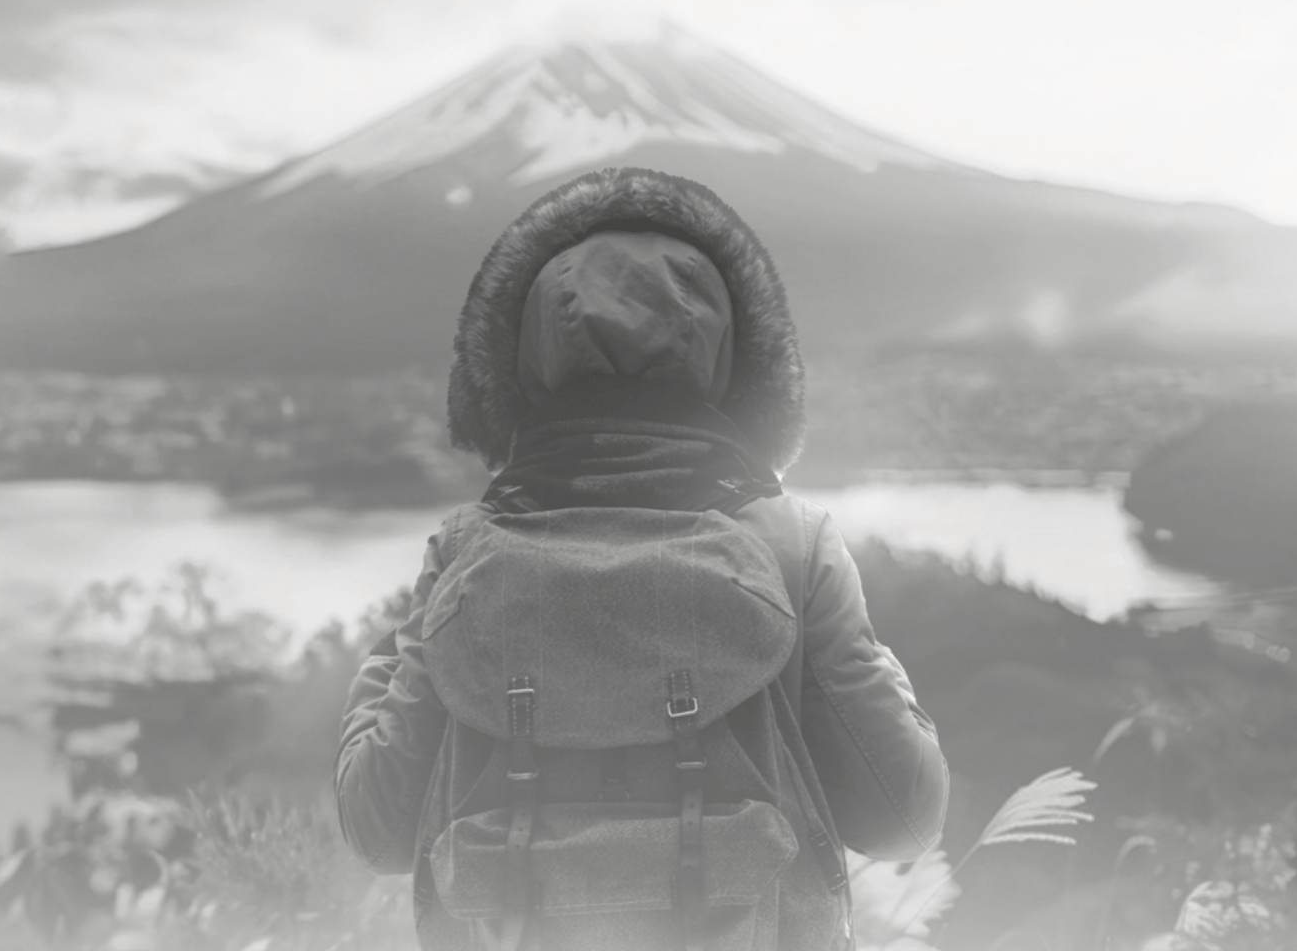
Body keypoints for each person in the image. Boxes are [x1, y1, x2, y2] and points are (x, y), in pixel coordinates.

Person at [336, 166, 948, 950]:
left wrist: (384, 661)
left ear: (523, 362)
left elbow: (378, 826)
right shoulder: (792, 547)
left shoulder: (463, 554)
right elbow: (901, 816)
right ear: (729, 361)